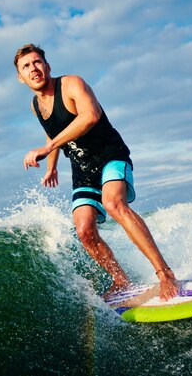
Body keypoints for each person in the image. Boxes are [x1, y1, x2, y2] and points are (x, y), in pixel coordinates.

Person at [14, 44, 179, 301]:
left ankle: (165, 274)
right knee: (84, 231)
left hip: (109, 154)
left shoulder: (71, 84)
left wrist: (48, 148)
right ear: (20, 77)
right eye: (26, 66)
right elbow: (52, 130)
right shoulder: (36, 106)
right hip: (82, 167)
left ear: (47, 66)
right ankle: (121, 281)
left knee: (113, 204)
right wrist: (51, 167)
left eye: (37, 63)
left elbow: (91, 116)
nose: (33, 69)